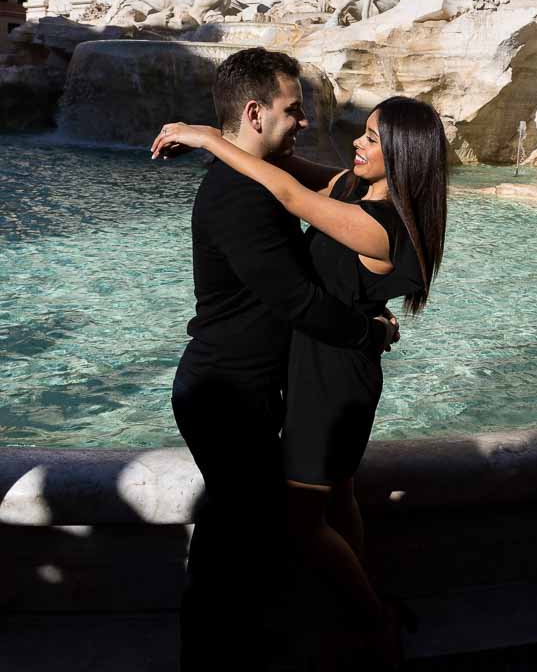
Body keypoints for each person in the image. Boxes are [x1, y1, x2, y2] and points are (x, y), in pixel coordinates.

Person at [153, 90, 448, 665]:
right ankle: (349, 606)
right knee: (335, 494)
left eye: (371, 139)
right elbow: (283, 166)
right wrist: (215, 132)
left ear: (403, 155)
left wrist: (210, 138)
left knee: (299, 518)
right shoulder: (351, 189)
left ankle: (372, 622)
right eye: (362, 133)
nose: (357, 143)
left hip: (333, 381)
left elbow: (285, 192)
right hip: (324, 365)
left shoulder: (378, 226)